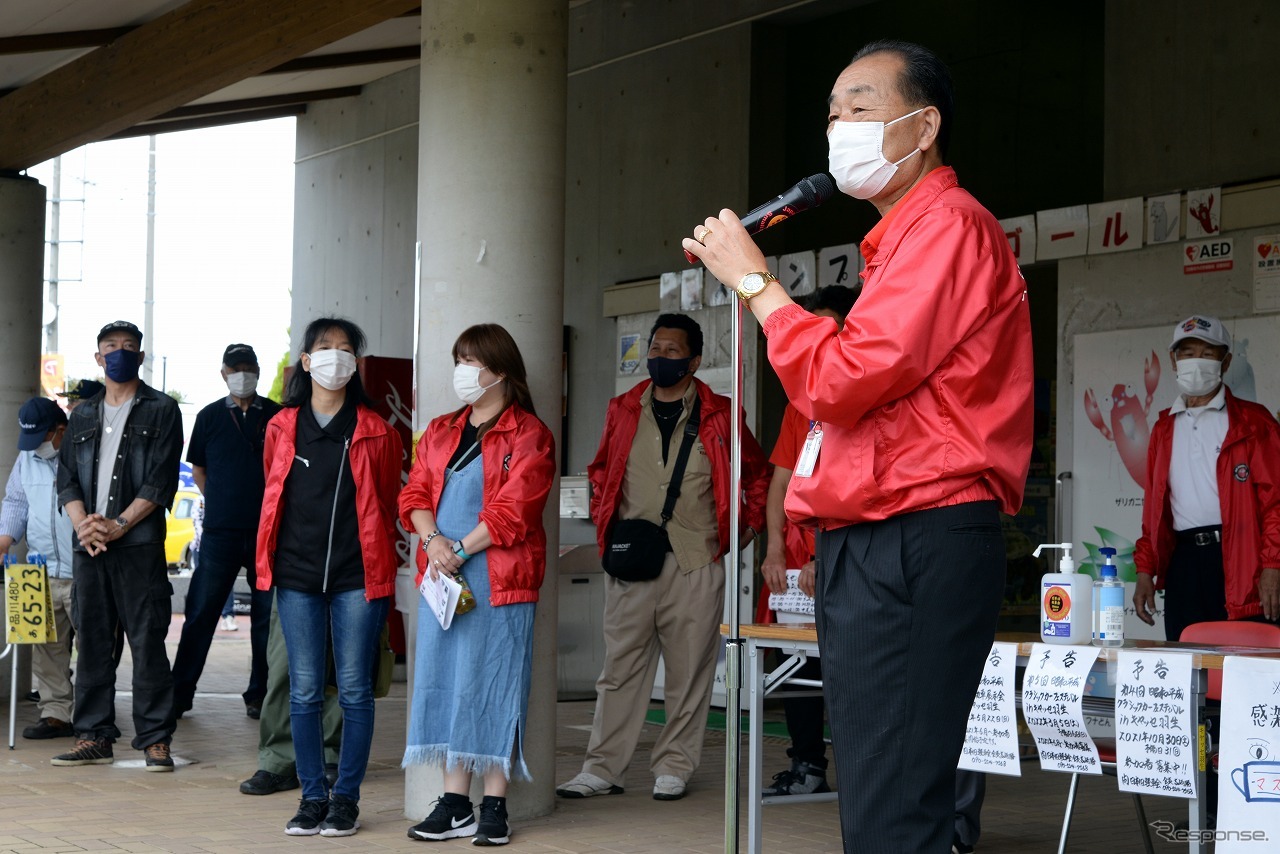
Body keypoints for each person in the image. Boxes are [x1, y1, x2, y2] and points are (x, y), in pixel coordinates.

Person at [683, 40, 1034, 853]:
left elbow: (843, 381)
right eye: (833, 114)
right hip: (880, 534)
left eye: (862, 108)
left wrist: (756, 284)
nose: (840, 128)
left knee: (893, 807)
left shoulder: (948, 226)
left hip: (917, 531)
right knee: (882, 796)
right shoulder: (901, 243)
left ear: (924, 125)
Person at [556, 313, 770, 803]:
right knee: (619, 670)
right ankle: (601, 769)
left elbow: (756, 476)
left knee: (689, 671)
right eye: (656, 348)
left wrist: (745, 532)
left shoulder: (722, 414)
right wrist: (606, 520)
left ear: (694, 361)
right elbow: (599, 469)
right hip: (633, 561)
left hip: (697, 562)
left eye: (673, 352)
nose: (660, 358)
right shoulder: (623, 408)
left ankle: (674, 767)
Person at [400, 324, 556, 846]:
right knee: (445, 681)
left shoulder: (529, 433)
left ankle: (494, 805)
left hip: (498, 580)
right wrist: (433, 544)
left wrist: (459, 549)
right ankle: (453, 803)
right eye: (459, 359)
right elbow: (415, 492)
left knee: (493, 683)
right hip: (442, 576)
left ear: (502, 371)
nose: (463, 371)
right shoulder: (441, 428)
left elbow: (516, 509)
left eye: (473, 362)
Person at [255, 317, 402, 837]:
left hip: (357, 577)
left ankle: (346, 800)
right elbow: (274, 498)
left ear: (355, 363)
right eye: (325, 348)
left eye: (346, 349)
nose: (336, 357)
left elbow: (385, 503)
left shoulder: (376, 430)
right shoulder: (282, 426)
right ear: (307, 360)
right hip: (295, 578)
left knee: (357, 690)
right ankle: (311, 796)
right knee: (303, 691)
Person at [52, 320, 185, 771]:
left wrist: (119, 524)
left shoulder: (162, 409)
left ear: (141, 357)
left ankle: (154, 739)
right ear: (98, 357)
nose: (120, 353)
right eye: (111, 347)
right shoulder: (83, 414)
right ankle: (93, 735)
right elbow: (66, 478)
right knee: (90, 640)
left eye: (129, 347)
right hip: (89, 546)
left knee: (147, 640)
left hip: (138, 545)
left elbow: (161, 478)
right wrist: (85, 527)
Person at [758, 285, 858, 798]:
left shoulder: (862, 394)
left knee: (845, 669)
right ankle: (806, 763)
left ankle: (860, 775)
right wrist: (776, 548)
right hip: (795, 561)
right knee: (796, 665)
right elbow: (780, 481)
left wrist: (824, 555)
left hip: (840, 553)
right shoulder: (801, 402)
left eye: (828, 327)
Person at [1134, 314, 1280, 640]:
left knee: (1243, 671)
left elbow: (1276, 503)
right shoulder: (1163, 429)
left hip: (1243, 560)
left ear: (1225, 362)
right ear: (1173, 361)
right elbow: (1154, 514)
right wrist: (1145, 570)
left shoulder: (1254, 423)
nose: (1195, 362)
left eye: (1207, 353)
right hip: (1185, 563)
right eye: (1186, 354)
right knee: (1186, 668)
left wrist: (1273, 566)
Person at [171, 344, 281, 720]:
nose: (242, 374)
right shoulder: (208, 417)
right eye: (235, 368)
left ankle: (260, 694)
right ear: (223, 373)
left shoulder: (279, 416)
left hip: (268, 533)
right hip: (220, 532)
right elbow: (198, 470)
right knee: (201, 611)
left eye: (248, 367)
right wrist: (219, 499)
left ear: (258, 370)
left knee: (266, 618)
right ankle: (180, 693)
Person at [1, 397, 75, 740]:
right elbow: (16, 500)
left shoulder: (82, 452)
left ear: (60, 430)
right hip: (41, 566)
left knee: (94, 648)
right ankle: (56, 713)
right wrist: (5, 540)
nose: (36, 448)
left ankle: (92, 716)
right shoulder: (27, 457)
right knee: (48, 646)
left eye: (42, 439)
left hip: (82, 568)